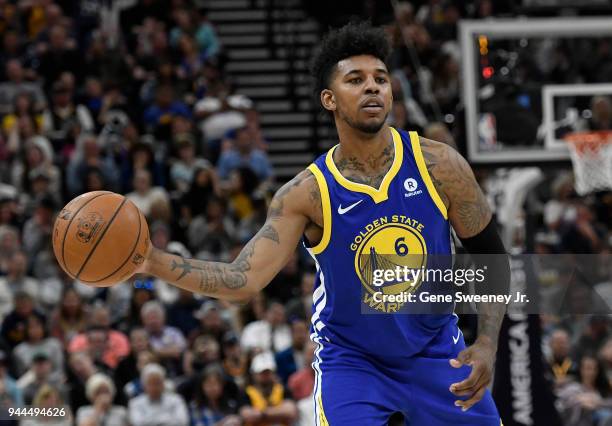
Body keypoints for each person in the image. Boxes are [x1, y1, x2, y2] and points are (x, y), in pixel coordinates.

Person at [134, 22, 509, 425]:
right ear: (329, 99)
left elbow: (492, 257)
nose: (373, 87)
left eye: (381, 79)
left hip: (435, 349)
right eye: (356, 79)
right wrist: (151, 262)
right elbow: (240, 279)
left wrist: (486, 343)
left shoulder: (441, 165)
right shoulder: (306, 194)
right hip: (354, 362)